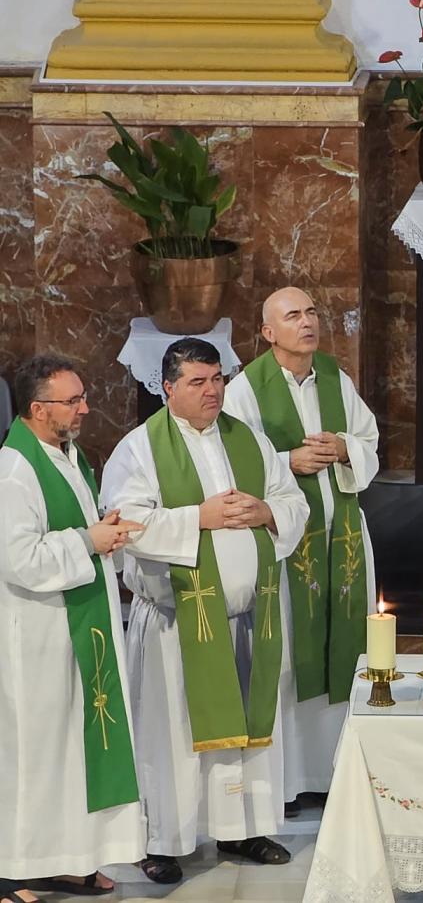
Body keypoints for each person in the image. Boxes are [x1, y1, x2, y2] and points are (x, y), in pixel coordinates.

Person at [101, 338, 309, 883]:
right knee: (171, 737)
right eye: (197, 381)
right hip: (178, 623)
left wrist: (266, 509)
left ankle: (244, 829)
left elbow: (294, 503)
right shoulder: (140, 449)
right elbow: (126, 523)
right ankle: (163, 842)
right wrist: (200, 516)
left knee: (246, 727)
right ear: (168, 388)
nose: (212, 390)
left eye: (217, 378)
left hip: (248, 618)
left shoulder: (250, 441)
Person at [224, 287, 379, 815]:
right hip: (288, 547)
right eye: (293, 316)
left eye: (312, 312)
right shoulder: (246, 388)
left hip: (346, 538)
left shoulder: (337, 378)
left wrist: (344, 449)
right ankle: (292, 777)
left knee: (346, 647)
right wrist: (288, 460)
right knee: (293, 652)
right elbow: (234, 457)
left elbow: (369, 441)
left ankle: (338, 770)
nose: (307, 322)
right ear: (268, 332)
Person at [0, 356, 145, 902]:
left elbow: (76, 530)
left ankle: (58, 861)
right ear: (38, 410)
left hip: (76, 631)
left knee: (69, 755)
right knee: (32, 758)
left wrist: (102, 530)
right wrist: (89, 541)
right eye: (73, 401)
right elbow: (20, 560)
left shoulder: (64, 454)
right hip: (35, 638)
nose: (85, 407)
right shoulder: (14, 471)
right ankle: (7, 871)